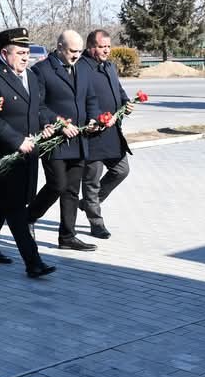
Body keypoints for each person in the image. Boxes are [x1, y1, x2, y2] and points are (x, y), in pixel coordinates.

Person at [0, 28, 56, 278]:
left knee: (3, 204)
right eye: (20, 53)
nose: (25, 58)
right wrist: (17, 140)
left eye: (27, 53)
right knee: (16, 208)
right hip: (3, 156)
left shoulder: (30, 76)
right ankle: (33, 262)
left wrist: (48, 123)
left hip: (28, 152)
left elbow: (38, 107)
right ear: (3, 53)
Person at [28, 30, 100, 252]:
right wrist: (59, 123)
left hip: (79, 139)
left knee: (71, 190)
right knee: (57, 185)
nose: (77, 55)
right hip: (55, 140)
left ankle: (67, 236)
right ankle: (27, 218)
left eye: (80, 51)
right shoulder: (42, 70)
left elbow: (91, 98)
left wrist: (94, 119)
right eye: (72, 51)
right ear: (59, 47)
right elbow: (37, 106)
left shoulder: (83, 69)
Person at [78, 30, 134, 239]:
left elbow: (117, 90)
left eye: (109, 46)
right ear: (91, 46)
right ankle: (96, 221)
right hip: (92, 133)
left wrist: (126, 102)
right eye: (102, 47)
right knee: (91, 180)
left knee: (121, 170)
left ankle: (87, 204)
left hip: (112, 133)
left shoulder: (109, 66)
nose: (107, 51)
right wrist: (92, 120)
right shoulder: (81, 68)